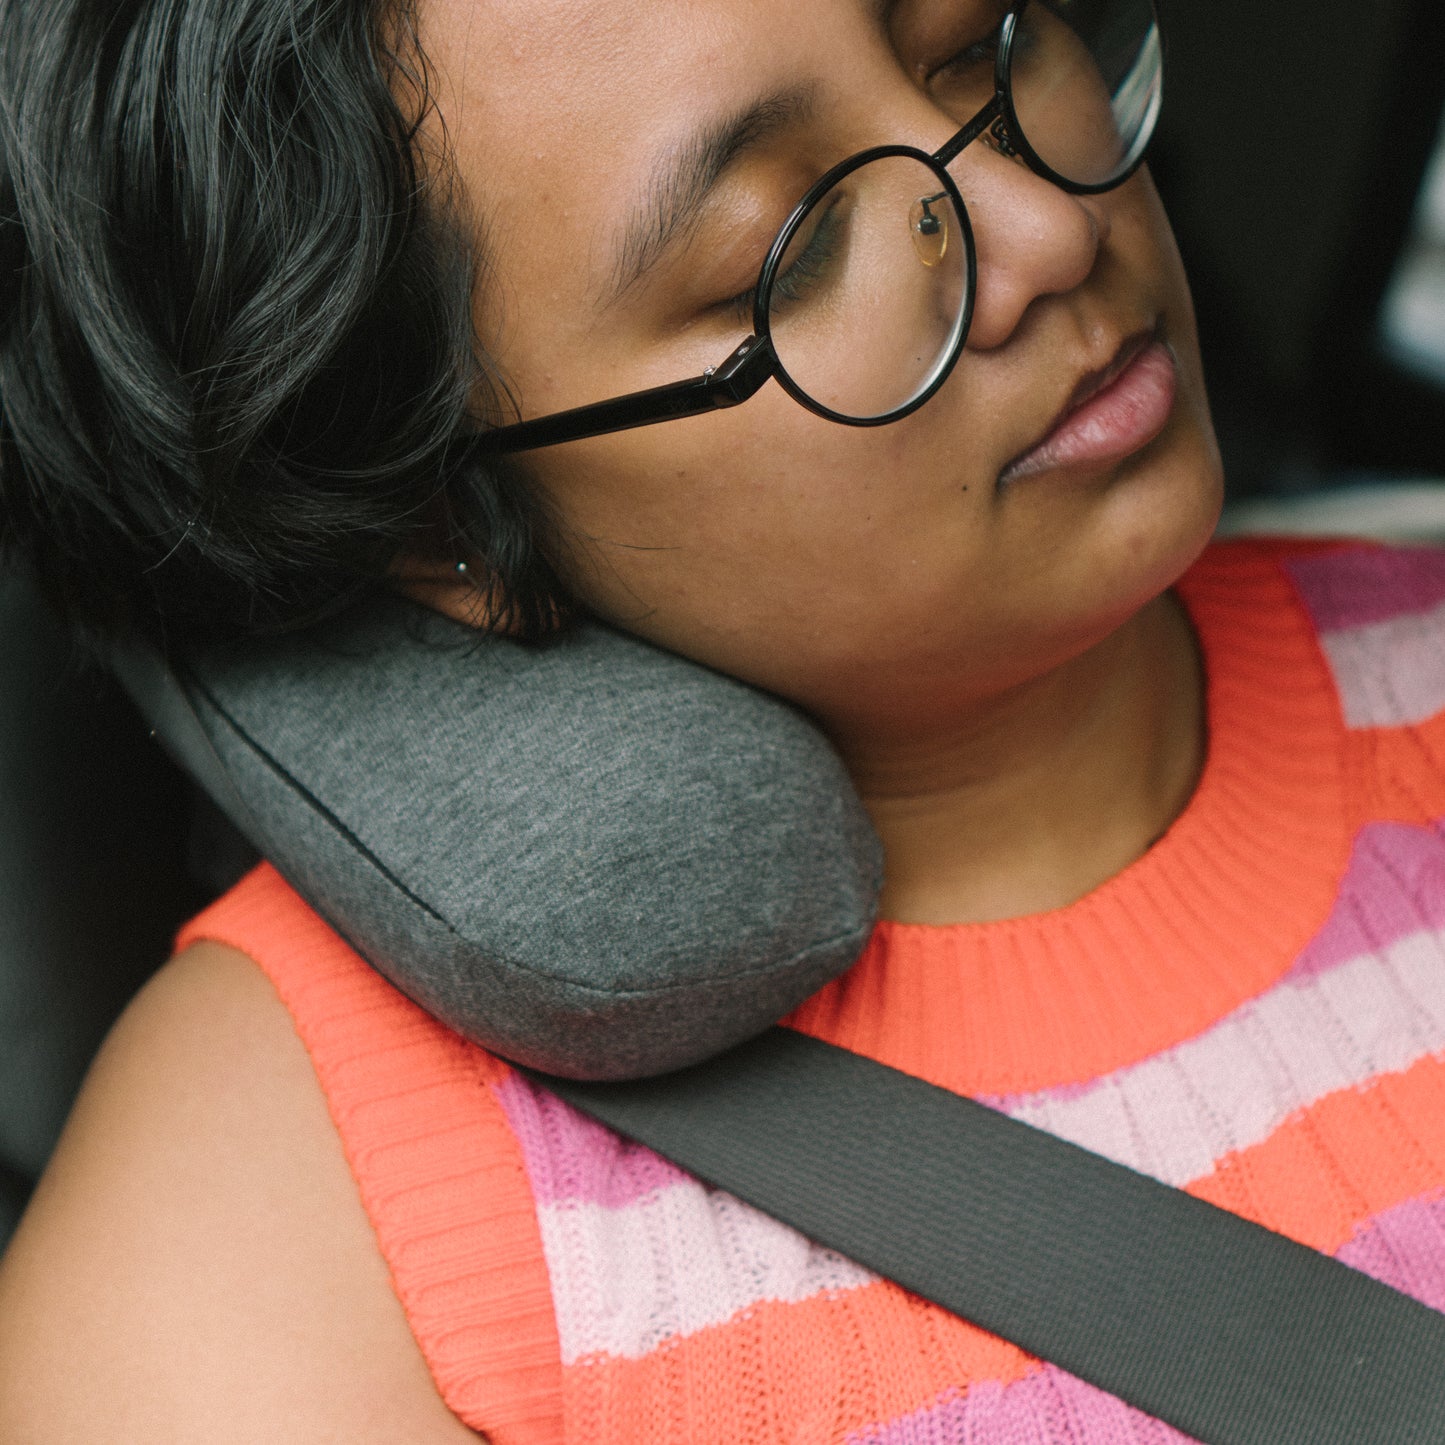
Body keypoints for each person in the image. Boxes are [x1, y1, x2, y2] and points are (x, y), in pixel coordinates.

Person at [1, 0, 1442, 1440]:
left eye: (974, 50)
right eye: (793, 249)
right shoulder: (258, 1251)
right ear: (446, 525)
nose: (1042, 231)